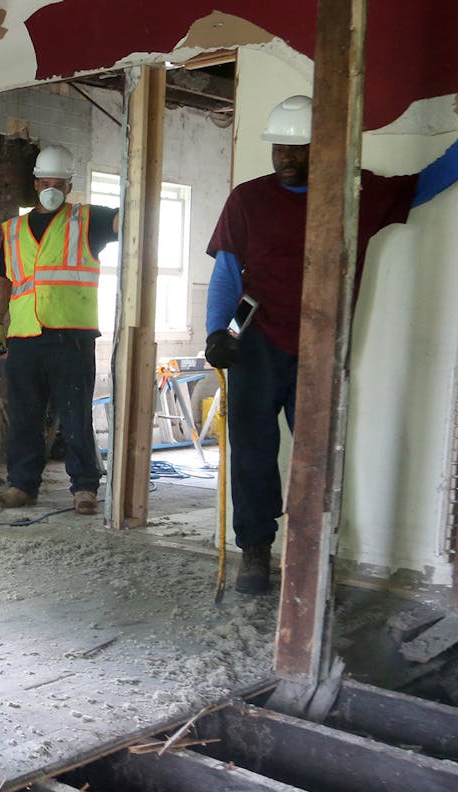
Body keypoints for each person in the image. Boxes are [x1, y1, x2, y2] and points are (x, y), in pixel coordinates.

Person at [203, 95, 458, 594]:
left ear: (324, 148)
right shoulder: (247, 198)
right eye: (281, 148)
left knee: (315, 453)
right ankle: (255, 549)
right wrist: (217, 334)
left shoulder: (355, 193)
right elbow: (228, 272)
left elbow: (426, 183)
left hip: (322, 342)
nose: (287, 158)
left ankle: (312, 551)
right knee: (252, 448)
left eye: (299, 148)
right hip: (250, 334)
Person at [0, 145, 120, 516]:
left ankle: (84, 489)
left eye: (59, 183)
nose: (52, 189)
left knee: (75, 415)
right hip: (25, 336)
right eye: (46, 182)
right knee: (24, 415)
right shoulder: (13, 230)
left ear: (69, 185)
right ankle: (22, 485)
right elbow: (4, 280)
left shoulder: (86, 220)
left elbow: (125, 221)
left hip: (71, 337)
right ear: (35, 183)